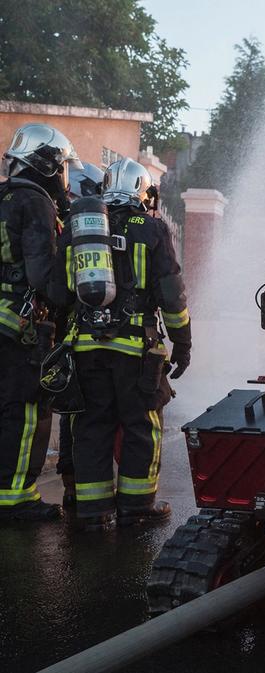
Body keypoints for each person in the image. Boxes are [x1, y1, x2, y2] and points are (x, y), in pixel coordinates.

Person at [51, 158, 191, 530]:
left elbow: (59, 293)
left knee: (92, 425)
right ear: (143, 191)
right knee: (141, 424)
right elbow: (172, 295)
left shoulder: (78, 232)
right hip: (135, 350)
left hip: (84, 347)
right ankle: (136, 505)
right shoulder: (153, 229)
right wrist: (183, 343)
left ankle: (94, 511)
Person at [0, 123, 82, 522]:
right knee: (26, 412)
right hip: (20, 328)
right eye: (63, 168)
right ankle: (16, 500)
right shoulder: (35, 203)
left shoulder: (3, 197)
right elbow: (40, 277)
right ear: (49, 164)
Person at [57, 162, 106, 509]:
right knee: (92, 414)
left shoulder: (65, 229)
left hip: (70, 334)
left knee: (73, 412)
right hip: (94, 334)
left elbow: (56, 286)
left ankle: (72, 487)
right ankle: (89, 492)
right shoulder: (94, 228)